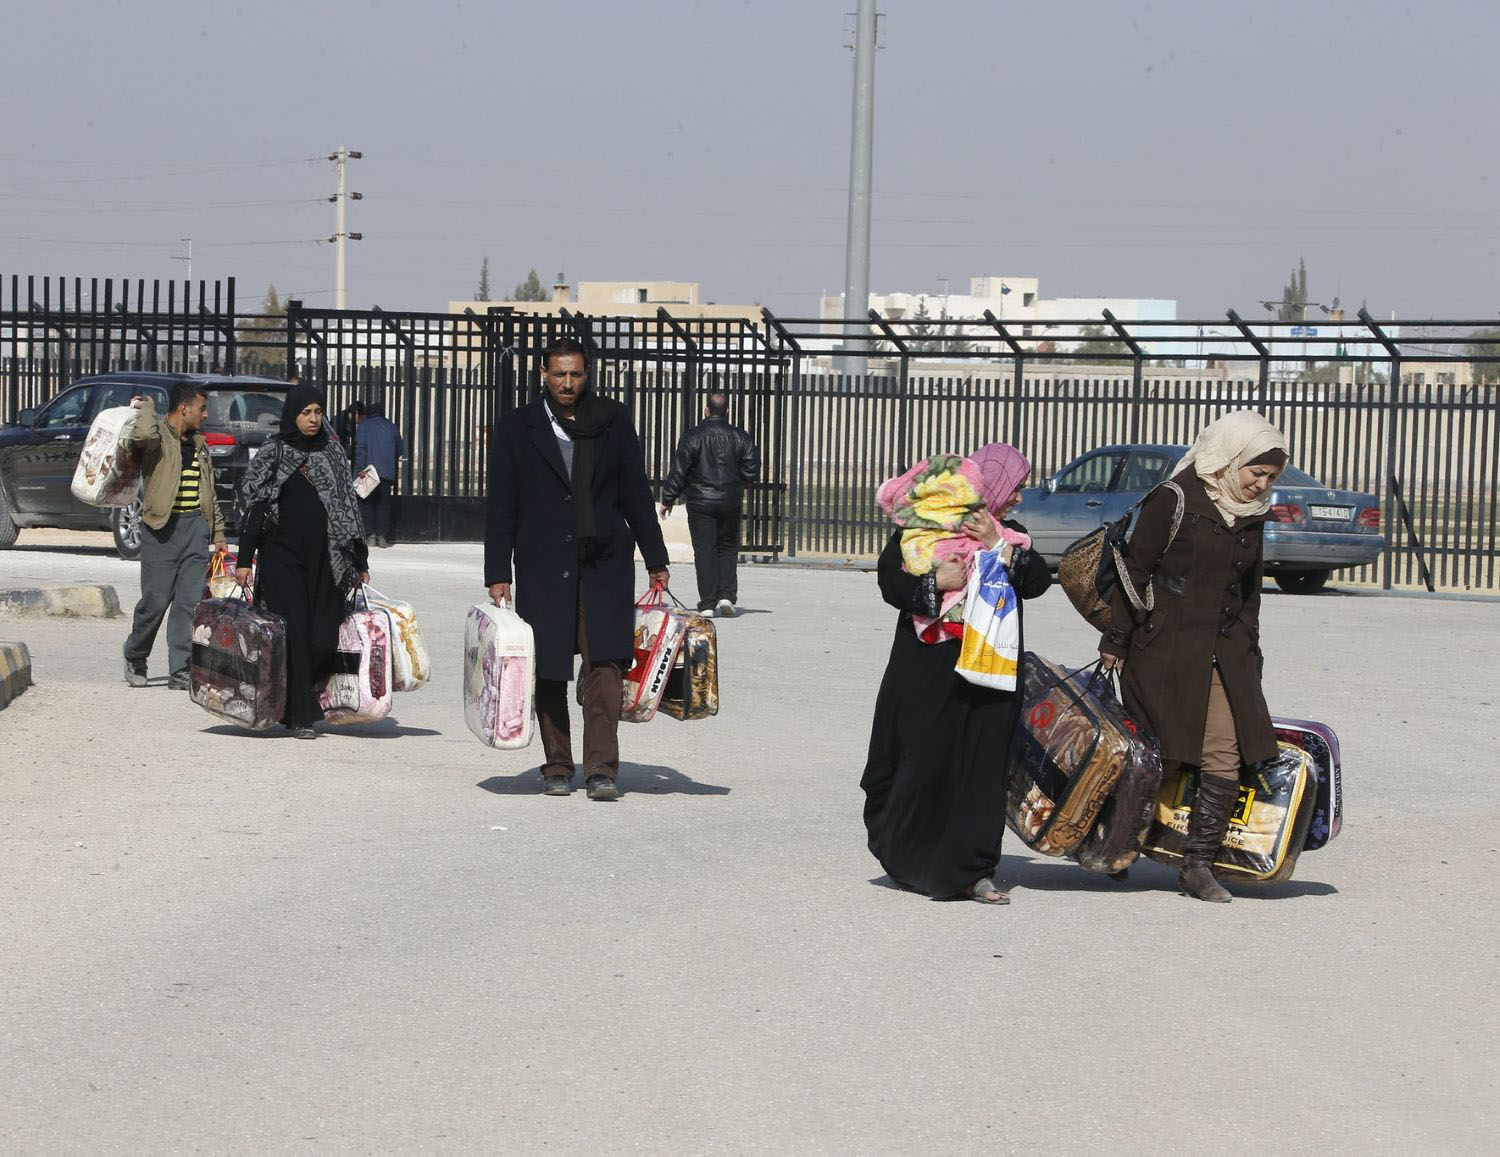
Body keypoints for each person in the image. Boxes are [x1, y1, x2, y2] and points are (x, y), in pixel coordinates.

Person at [1098, 410, 1288, 903]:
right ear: (1230, 460)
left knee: (1224, 748)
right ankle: (1121, 837)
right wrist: (1117, 639)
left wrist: (1250, 651)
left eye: (1270, 477)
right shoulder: (1175, 498)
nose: (1260, 484)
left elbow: (1248, 591)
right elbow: (1134, 570)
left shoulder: (1252, 513)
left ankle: (1197, 865)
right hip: (1163, 649)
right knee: (1159, 750)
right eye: (1255, 473)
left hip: (1224, 652)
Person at [861, 443, 1051, 904]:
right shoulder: (920, 529)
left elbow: (1037, 582)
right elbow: (890, 581)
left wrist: (996, 544)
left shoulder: (1010, 533)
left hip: (988, 671)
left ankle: (974, 871)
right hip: (926, 670)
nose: (1020, 498)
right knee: (920, 761)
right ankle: (909, 859)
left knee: (980, 770)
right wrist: (934, 584)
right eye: (1017, 487)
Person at [485, 337, 670, 800]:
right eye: (559, 374)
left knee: (605, 663)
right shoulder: (515, 428)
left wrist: (655, 558)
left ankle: (602, 767)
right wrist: (497, 571)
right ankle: (557, 765)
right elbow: (502, 506)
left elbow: (634, 492)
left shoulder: (612, 421)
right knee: (548, 666)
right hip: (544, 562)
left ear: (588, 375)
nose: (568, 383)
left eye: (576, 374)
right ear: (543, 375)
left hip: (604, 560)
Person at [235, 384, 370, 739]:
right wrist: (245, 559)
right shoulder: (274, 451)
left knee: (324, 632)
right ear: (292, 414)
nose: (313, 419)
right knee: (292, 633)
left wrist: (359, 559)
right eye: (306, 412)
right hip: (283, 559)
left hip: (327, 558)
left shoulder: (334, 454)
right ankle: (299, 715)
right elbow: (255, 507)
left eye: (318, 412)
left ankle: (308, 697)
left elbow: (348, 509)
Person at [123, 382, 228, 688]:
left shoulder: (199, 443)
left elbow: (209, 492)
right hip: (161, 529)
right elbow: (141, 435)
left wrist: (217, 531)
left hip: (195, 528)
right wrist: (146, 408)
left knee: (188, 603)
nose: (205, 414)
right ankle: (135, 655)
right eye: (202, 408)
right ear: (185, 409)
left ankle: (180, 668)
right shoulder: (158, 437)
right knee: (155, 601)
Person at [658, 392, 759, 617]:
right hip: (730, 500)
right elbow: (751, 469)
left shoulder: (692, 436)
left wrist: (668, 499)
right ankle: (726, 595)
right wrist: (735, 482)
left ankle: (706, 604)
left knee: (704, 550)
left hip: (700, 500)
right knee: (728, 547)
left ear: (706, 410)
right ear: (728, 412)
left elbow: (679, 471)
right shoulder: (740, 436)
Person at [354, 400, 405, 547]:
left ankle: (370, 535)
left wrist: (360, 469)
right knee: (384, 504)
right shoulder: (392, 427)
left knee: (366, 503)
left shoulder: (363, 426)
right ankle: (382, 537)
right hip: (385, 473)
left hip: (368, 472)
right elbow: (399, 449)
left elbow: (360, 448)